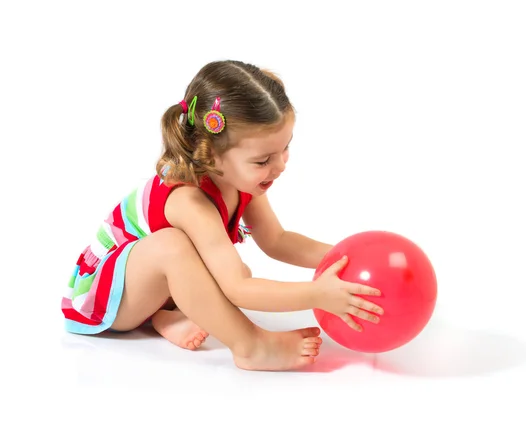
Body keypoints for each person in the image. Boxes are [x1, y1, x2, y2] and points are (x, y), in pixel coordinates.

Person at [61, 60, 384, 371]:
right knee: (181, 250)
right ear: (211, 155)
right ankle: (251, 346)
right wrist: (316, 295)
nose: (281, 165)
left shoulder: (241, 180)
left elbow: (278, 241)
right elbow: (238, 288)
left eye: (285, 148)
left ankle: (169, 315)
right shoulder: (189, 200)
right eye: (263, 160)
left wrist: (346, 257)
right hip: (106, 296)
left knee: (227, 262)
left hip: (149, 288)